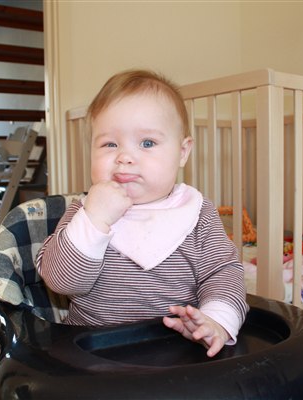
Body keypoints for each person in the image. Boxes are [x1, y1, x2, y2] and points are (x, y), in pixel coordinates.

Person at [36, 69, 248, 357]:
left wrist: (217, 321)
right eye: (110, 144)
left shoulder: (197, 214)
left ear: (182, 152)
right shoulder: (84, 211)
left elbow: (223, 273)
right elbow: (62, 282)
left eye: (147, 143)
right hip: (91, 350)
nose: (124, 157)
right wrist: (95, 220)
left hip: (177, 351)